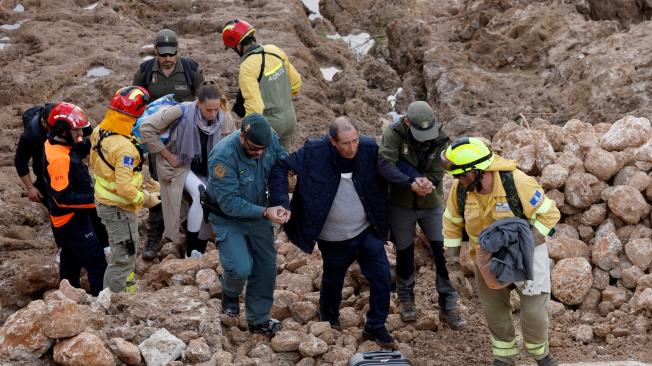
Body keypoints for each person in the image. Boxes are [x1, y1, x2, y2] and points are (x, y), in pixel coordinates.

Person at [269, 117, 395, 347]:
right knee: (333, 279)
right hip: (333, 238)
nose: (352, 147)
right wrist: (280, 203)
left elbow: (393, 164)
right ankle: (328, 317)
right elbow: (281, 167)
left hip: (367, 231)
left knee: (382, 277)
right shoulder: (314, 152)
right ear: (332, 141)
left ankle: (376, 325)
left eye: (355, 140)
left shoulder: (369, 148)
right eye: (345, 143)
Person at [441, 137, 561, 366]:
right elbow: (452, 224)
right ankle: (504, 358)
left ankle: (541, 356)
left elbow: (550, 215)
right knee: (494, 310)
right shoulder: (462, 190)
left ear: (477, 170)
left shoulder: (517, 183)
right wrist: (453, 263)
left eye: (461, 175)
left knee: (534, 310)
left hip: (526, 254)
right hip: (486, 258)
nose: (457, 180)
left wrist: (524, 244)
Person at [377, 101, 466, 329]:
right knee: (405, 252)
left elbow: (438, 170)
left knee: (442, 251)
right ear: (407, 122)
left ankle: (448, 305)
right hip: (401, 203)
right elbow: (385, 164)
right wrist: (410, 182)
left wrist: (428, 183)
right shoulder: (394, 133)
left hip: (430, 203)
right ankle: (406, 299)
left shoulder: (440, 137)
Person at [204, 113, 287, 335]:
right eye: (254, 148)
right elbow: (229, 203)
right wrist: (266, 212)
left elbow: (281, 163)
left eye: (263, 148)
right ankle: (230, 292)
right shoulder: (223, 157)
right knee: (240, 267)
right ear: (242, 137)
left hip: (259, 211)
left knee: (266, 266)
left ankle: (258, 319)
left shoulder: (270, 138)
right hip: (227, 217)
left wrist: (280, 201)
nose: (259, 153)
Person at [140, 81, 236, 259]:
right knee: (202, 195)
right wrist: (168, 155)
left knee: (211, 204)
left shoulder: (225, 120)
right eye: (209, 110)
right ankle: (190, 250)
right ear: (198, 103)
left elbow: (233, 150)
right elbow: (146, 128)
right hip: (180, 166)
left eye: (216, 109)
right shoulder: (182, 111)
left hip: (210, 170)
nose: (213, 114)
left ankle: (198, 249)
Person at [133, 28, 205, 262]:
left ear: (177, 51)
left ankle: (190, 228)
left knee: (192, 183)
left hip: (188, 140)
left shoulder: (191, 69)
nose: (167, 59)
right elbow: (136, 104)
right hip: (158, 141)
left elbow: (203, 101)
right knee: (158, 185)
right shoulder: (145, 71)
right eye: (162, 54)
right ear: (155, 51)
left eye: (171, 54)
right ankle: (156, 234)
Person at [90, 86, 161, 293]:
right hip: (119, 208)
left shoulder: (100, 131)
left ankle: (126, 290)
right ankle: (115, 300)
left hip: (105, 202)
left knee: (123, 253)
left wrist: (144, 182)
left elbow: (102, 168)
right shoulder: (124, 148)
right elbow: (123, 187)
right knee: (124, 256)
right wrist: (145, 198)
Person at [42, 102, 107, 296]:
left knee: (70, 261)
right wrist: (96, 198)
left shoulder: (53, 143)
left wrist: (94, 142)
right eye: (75, 129)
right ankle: (100, 302)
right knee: (96, 263)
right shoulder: (60, 160)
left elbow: (76, 148)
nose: (79, 133)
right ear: (63, 130)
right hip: (72, 220)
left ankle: (68, 297)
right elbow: (62, 198)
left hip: (63, 221)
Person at [222, 19, 301, 150]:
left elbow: (255, 109)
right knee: (285, 162)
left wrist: (245, 131)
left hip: (270, 124)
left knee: (260, 164)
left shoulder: (247, 67)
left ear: (237, 46)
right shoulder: (275, 50)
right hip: (290, 117)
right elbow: (296, 83)